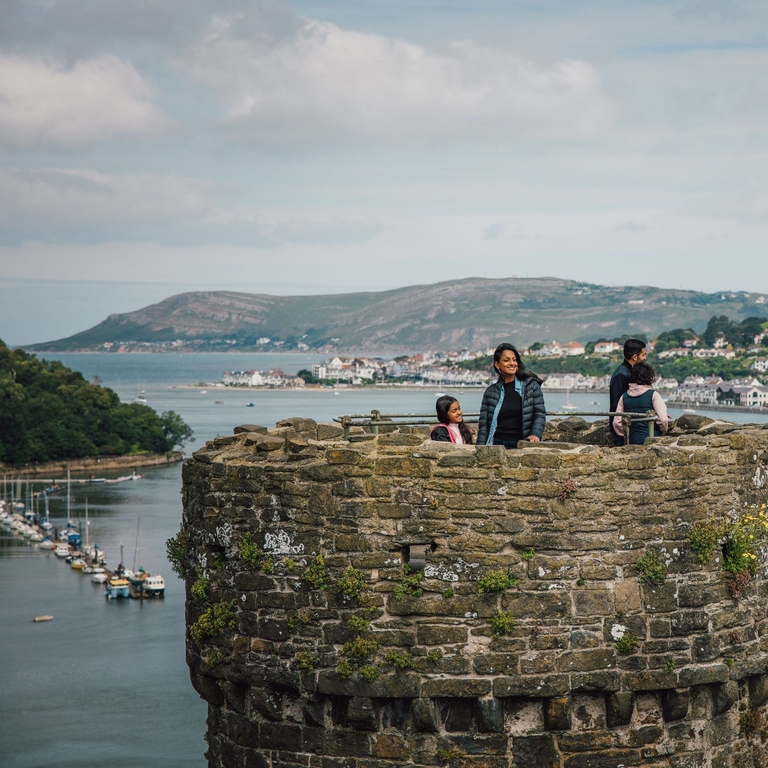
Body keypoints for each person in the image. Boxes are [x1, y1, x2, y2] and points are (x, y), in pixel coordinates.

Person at [477, 343, 546, 448]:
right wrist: (480, 448)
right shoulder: (490, 392)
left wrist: (535, 434)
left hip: (520, 444)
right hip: (495, 444)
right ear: (497, 364)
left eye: (514, 360)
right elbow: (484, 426)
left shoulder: (531, 386)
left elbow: (539, 413)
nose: (512, 363)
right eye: (506, 360)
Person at [613, 361, 669, 445]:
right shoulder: (654, 395)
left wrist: (626, 434)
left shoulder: (623, 397)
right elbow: (663, 419)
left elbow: (616, 422)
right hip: (652, 440)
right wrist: (663, 431)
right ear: (649, 378)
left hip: (631, 441)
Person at [609, 339, 647, 446]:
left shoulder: (628, 371)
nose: (645, 358)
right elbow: (617, 405)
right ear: (635, 357)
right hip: (622, 429)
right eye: (643, 355)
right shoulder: (621, 374)